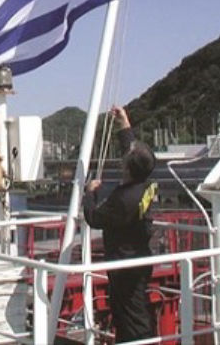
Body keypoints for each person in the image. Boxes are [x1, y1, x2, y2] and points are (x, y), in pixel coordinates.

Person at [83, 106, 158, 343]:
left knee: (130, 316)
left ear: (127, 168)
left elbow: (94, 218)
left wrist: (89, 193)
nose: (123, 159)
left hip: (125, 266)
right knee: (133, 311)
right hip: (139, 257)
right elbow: (132, 151)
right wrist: (124, 122)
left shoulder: (124, 200)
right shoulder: (143, 184)